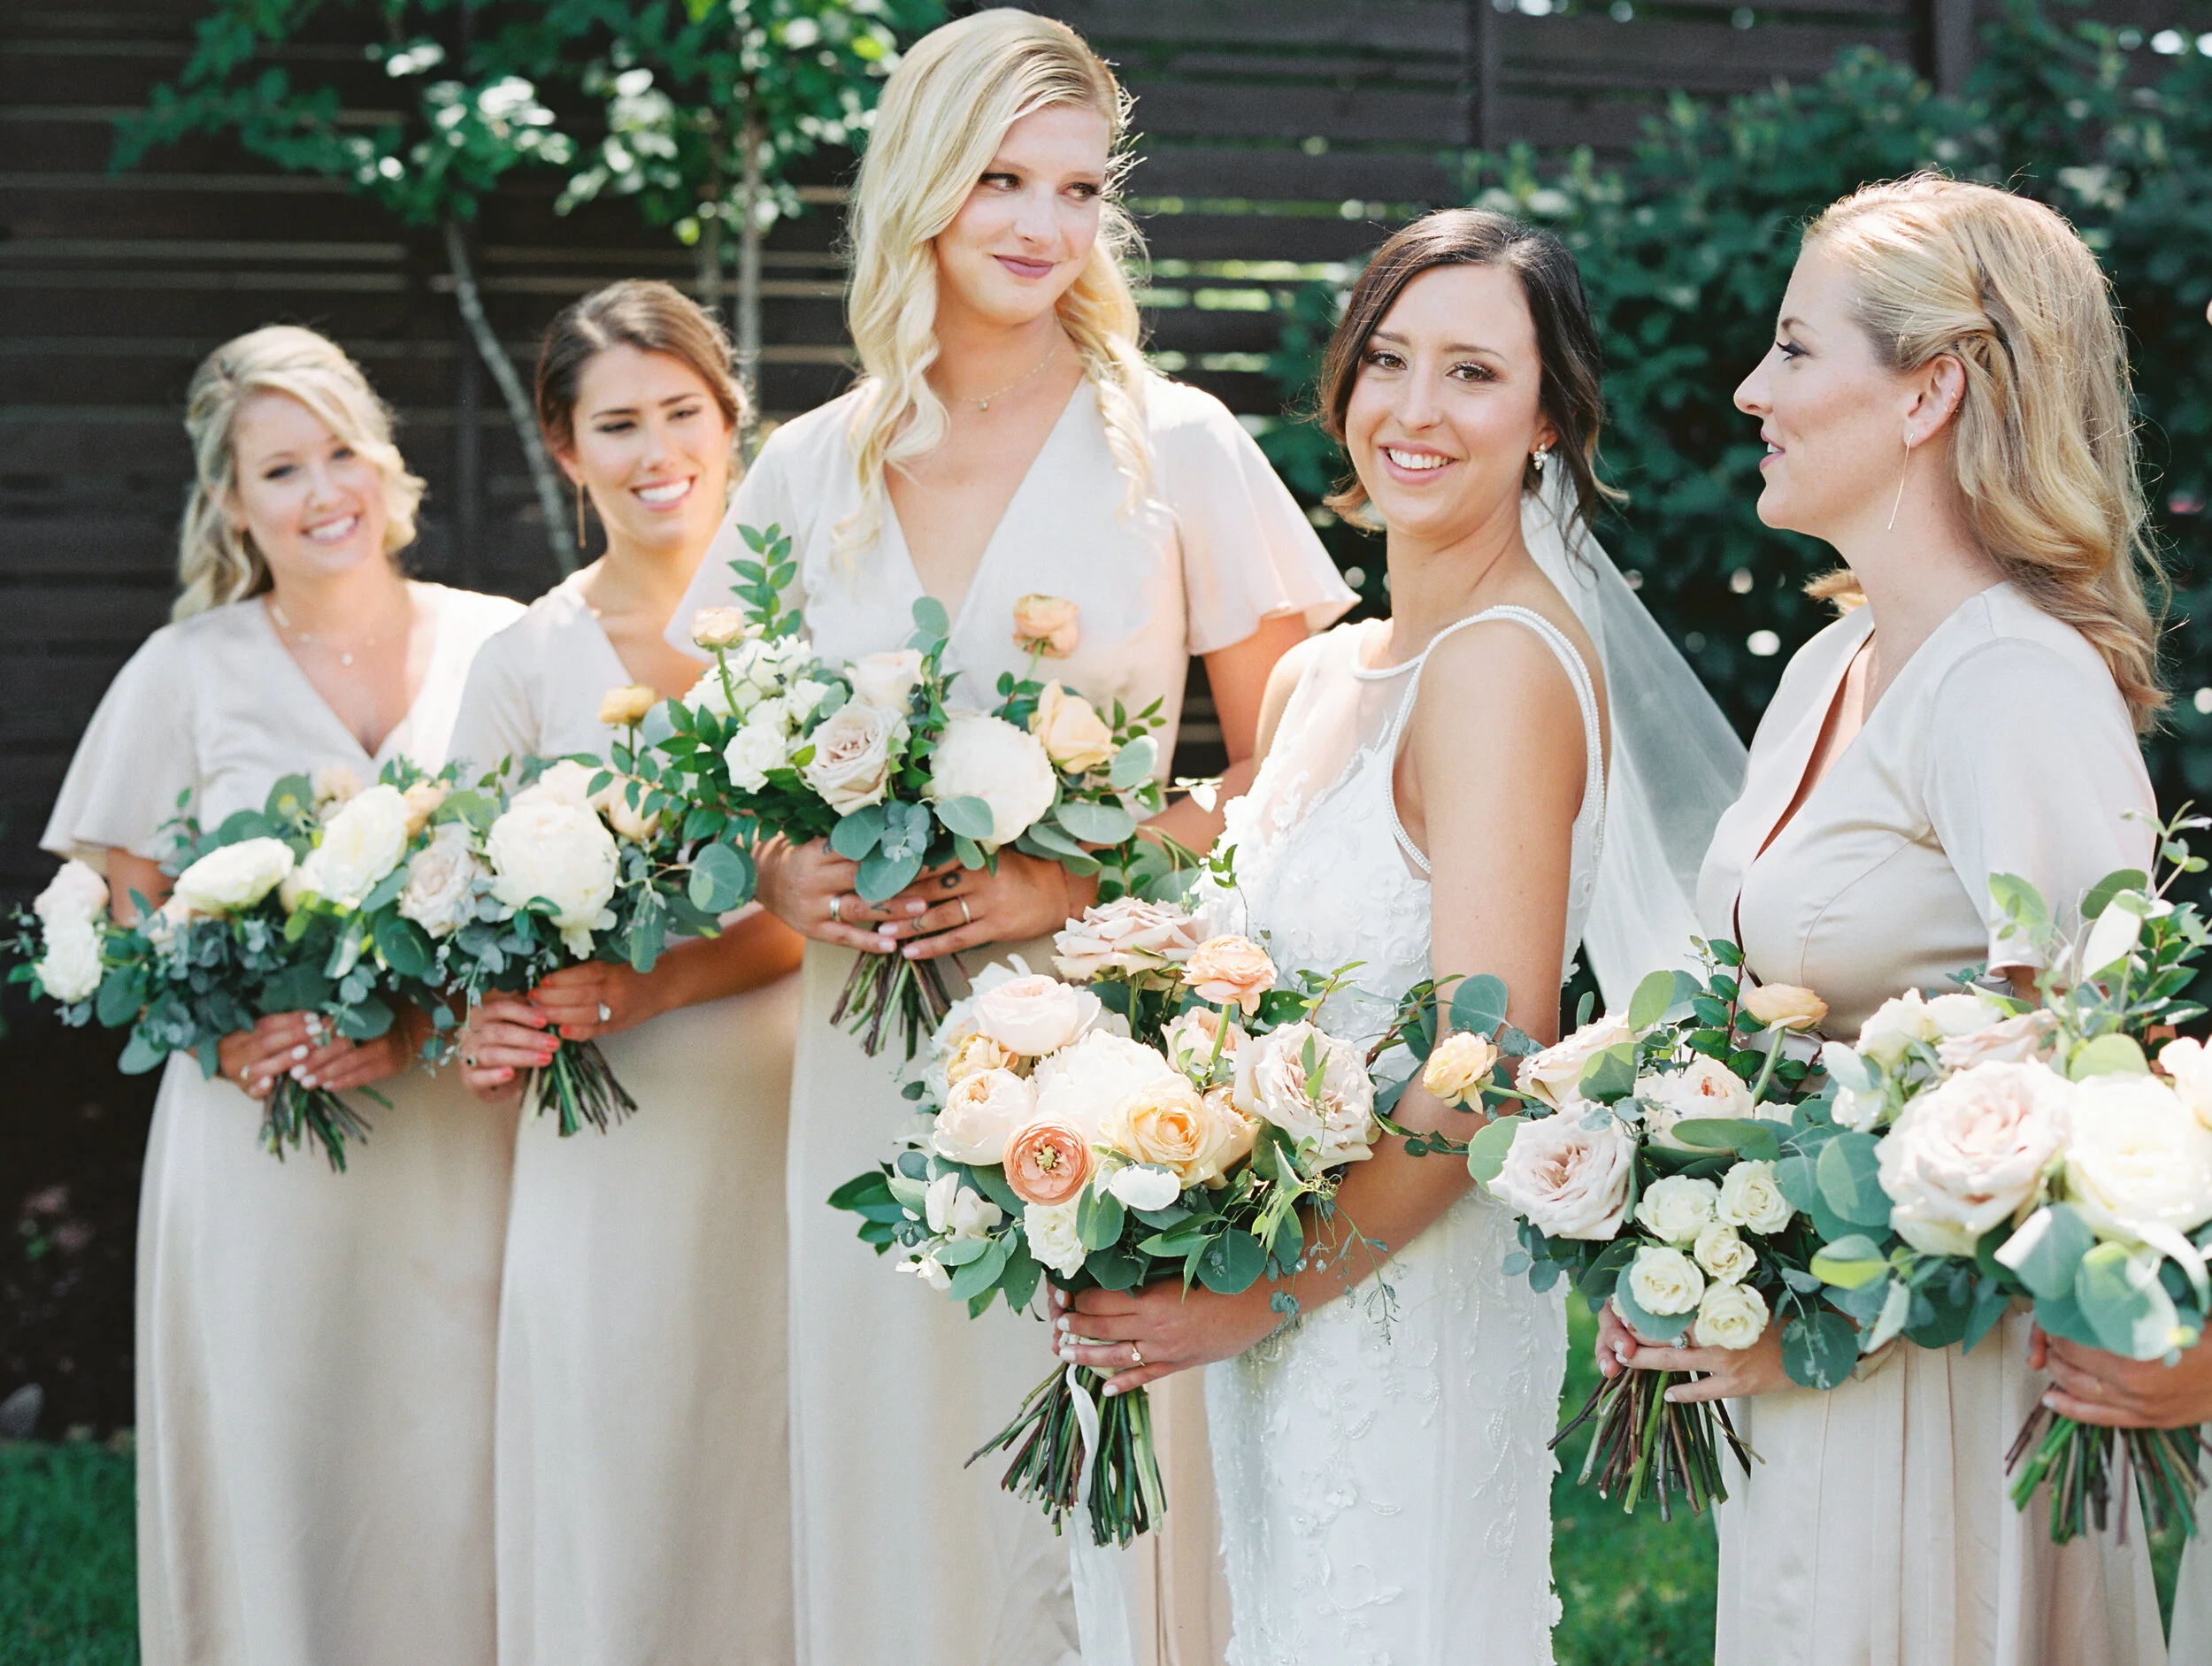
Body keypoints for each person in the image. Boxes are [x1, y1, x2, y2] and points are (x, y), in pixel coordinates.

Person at [662, 12, 1354, 1663]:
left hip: (1106, 1050)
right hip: (863, 1039)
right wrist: (784, 869)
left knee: (1095, 1463)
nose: (1047, 225)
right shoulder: (808, 471)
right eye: (1001, 180)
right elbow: (715, 780)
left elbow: (1300, 767)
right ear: (920, 186)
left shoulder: (1174, 445)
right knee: (891, 1441)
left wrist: (1071, 876)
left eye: (1079, 187)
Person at [1058, 207, 1743, 1663]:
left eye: (1474, 373)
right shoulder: (1321, 675)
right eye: (1389, 359)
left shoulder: (1502, 665)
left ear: (1549, 418)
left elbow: (1486, 1055)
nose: (1416, 410)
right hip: (1282, 1298)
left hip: (1393, 1301)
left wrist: (1255, 1297)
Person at [1599, 174, 2170, 1666]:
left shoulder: (2014, 685)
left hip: (1946, 1397)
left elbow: (2091, 1092)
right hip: (1807, 1375)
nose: (1751, 389)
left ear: (1931, 390)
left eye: (1796, 349)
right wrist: (1676, 1233)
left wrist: (1828, 1320)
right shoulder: (1833, 665)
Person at [42, 326, 522, 1665]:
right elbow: (120, 897)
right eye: (281, 469)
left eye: (340, 453)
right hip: (258, 1133)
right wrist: (224, 1034)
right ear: (232, 502)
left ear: (384, 462)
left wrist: (419, 1018)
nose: (323, 493)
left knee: (460, 1446)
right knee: (282, 1442)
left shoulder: (497, 643)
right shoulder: (184, 668)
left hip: (453, 1128)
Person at [446, 280, 803, 1666]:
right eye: (617, 424)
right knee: (622, 1452)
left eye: (681, 412)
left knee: (785, 1436)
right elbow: (465, 911)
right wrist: (488, 1019)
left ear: (730, 417)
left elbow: (833, 904)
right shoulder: (524, 660)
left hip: (798, 1093)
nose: (658, 452)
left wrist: (659, 981)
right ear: (564, 447)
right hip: (609, 1135)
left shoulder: (805, 626)